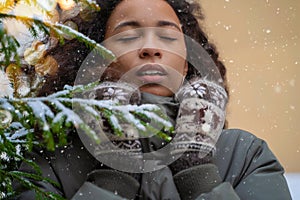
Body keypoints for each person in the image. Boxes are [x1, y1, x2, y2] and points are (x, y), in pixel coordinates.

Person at [14, 0, 292, 199]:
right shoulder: (49, 160)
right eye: (129, 35)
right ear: (98, 60)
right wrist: (112, 178)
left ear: (186, 62)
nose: (150, 48)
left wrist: (199, 174)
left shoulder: (245, 154)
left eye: (167, 35)